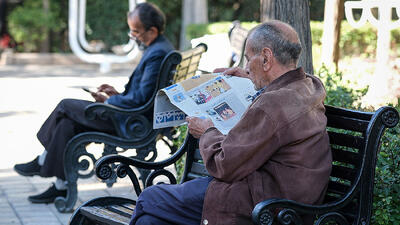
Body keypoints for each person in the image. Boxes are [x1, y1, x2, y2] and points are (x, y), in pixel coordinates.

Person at [128, 20, 332, 225]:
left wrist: (207, 131)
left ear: (266, 58)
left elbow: (223, 164)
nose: (245, 67)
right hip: (285, 196)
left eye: (248, 59)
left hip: (263, 204)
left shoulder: (272, 105)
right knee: (150, 222)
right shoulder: (309, 85)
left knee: (149, 199)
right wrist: (249, 78)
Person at [13, 2, 174, 204]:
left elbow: (140, 100)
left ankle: (42, 161)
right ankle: (61, 187)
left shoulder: (157, 53)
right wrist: (117, 93)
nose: (133, 36)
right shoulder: (159, 47)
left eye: (136, 32)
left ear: (152, 30)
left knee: (65, 105)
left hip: (130, 123)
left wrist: (110, 100)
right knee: (66, 125)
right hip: (134, 118)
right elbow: (142, 94)